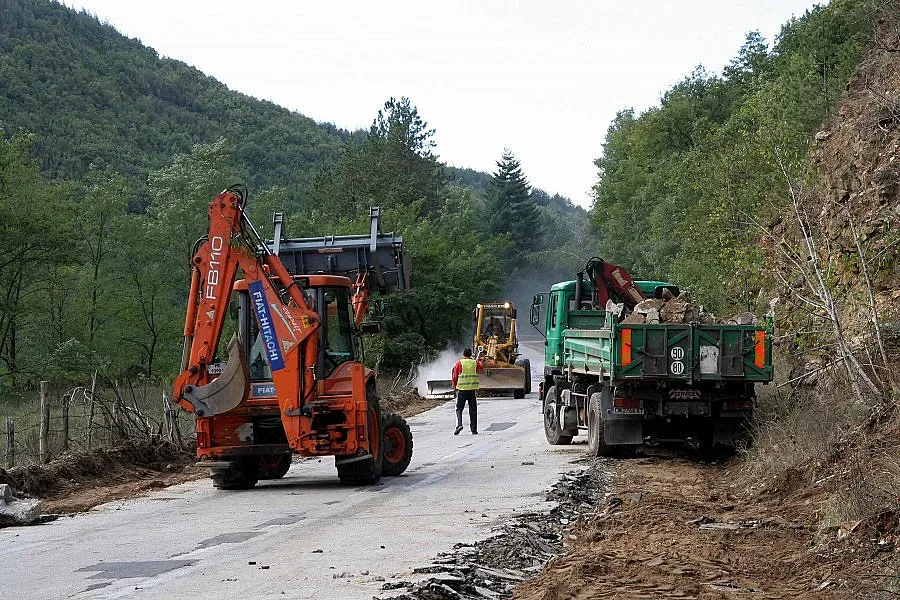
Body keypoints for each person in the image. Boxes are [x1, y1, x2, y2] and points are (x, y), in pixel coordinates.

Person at [451, 348, 484, 435]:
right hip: (472, 390)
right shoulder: (474, 362)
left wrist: (454, 386)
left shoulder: (459, 363)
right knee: (473, 410)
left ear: (463, 354)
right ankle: (474, 430)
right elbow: (481, 366)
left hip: (462, 390)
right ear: (470, 354)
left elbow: (455, 376)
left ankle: (459, 424)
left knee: (459, 408)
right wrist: (478, 360)